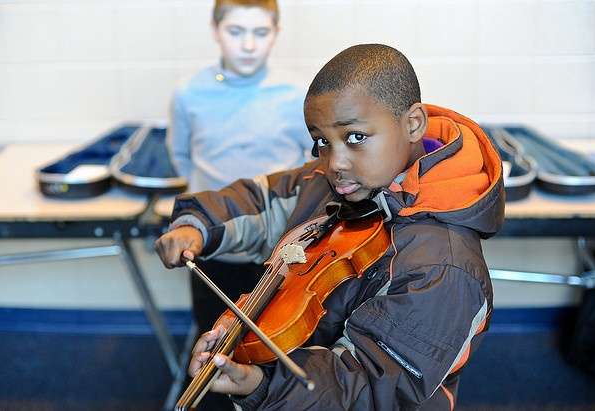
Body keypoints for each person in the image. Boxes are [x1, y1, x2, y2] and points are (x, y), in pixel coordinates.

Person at [157, 44, 505, 410]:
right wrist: (196, 225)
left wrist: (265, 385)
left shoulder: (441, 267)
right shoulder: (342, 181)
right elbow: (264, 198)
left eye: (355, 137)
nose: (335, 162)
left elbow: (371, 387)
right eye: (321, 142)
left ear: (413, 124)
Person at [166, 1, 310, 408]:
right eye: (236, 31)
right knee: (213, 339)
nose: (248, 44)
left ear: (276, 33)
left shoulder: (297, 95)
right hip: (213, 246)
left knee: (278, 341)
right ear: (215, 31)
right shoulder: (188, 93)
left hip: (279, 248)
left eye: (260, 32)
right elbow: (181, 158)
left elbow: (311, 170)